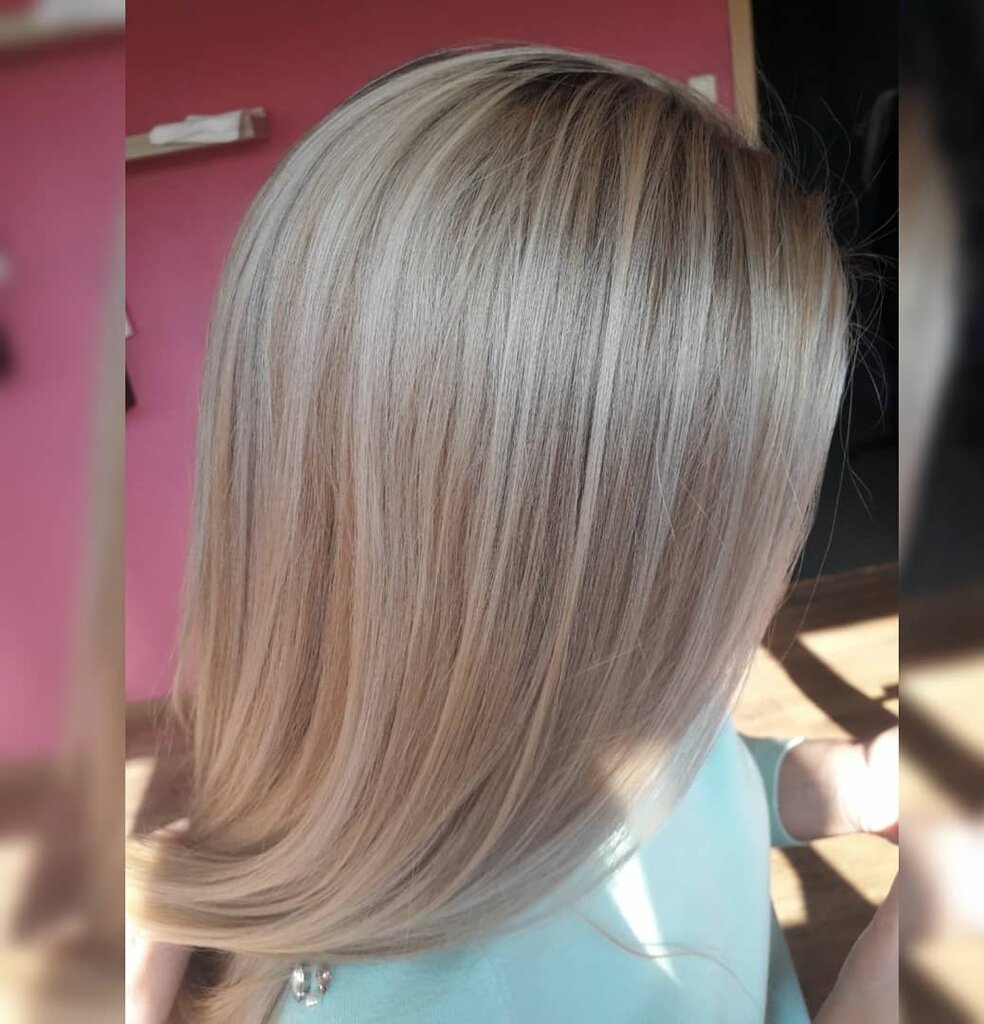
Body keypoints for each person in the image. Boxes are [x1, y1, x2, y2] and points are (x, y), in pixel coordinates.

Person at [126, 46, 897, 1023]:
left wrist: (849, 786)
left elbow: (702, 779)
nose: (788, 545)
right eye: (771, 507)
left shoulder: (625, 700)